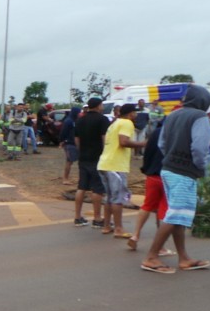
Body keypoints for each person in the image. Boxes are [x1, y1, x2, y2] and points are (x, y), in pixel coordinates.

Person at [140, 85, 210, 274]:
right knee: (175, 215)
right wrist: (200, 166)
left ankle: (184, 258)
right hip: (184, 172)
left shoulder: (172, 115)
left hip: (168, 169)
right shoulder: (200, 117)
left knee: (178, 216)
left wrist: (171, 158)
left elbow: (162, 143)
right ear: (204, 102)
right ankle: (151, 257)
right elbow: (199, 148)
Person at [97, 103, 147, 238]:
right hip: (116, 165)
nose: (136, 116)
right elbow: (123, 142)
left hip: (105, 163)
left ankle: (107, 226)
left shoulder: (114, 123)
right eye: (135, 113)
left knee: (109, 197)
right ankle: (118, 228)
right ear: (131, 114)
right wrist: (143, 144)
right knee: (117, 198)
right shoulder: (127, 123)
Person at [128, 119, 173, 257]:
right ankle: (160, 247)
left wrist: (146, 169)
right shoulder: (173, 134)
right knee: (163, 209)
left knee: (147, 205)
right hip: (166, 175)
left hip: (151, 175)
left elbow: (146, 153)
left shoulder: (154, 134)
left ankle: (135, 235)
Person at [72, 97, 109, 227]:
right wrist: (106, 153)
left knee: (81, 187)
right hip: (97, 157)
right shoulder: (102, 120)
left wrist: (81, 151)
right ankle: (97, 219)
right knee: (97, 188)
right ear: (98, 106)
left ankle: (77, 217)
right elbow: (104, 138)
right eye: (102, 105)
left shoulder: (80, 120)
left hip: (83, 157)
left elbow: (77, 139)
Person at [59, 106, 79, 185]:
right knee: (69, 161)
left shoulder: (75, 120)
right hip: (69, 143)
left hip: (75, 143)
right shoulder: (69, 121)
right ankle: (65, 178)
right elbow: (63, 132)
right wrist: (62, 141)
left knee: (73, 161)